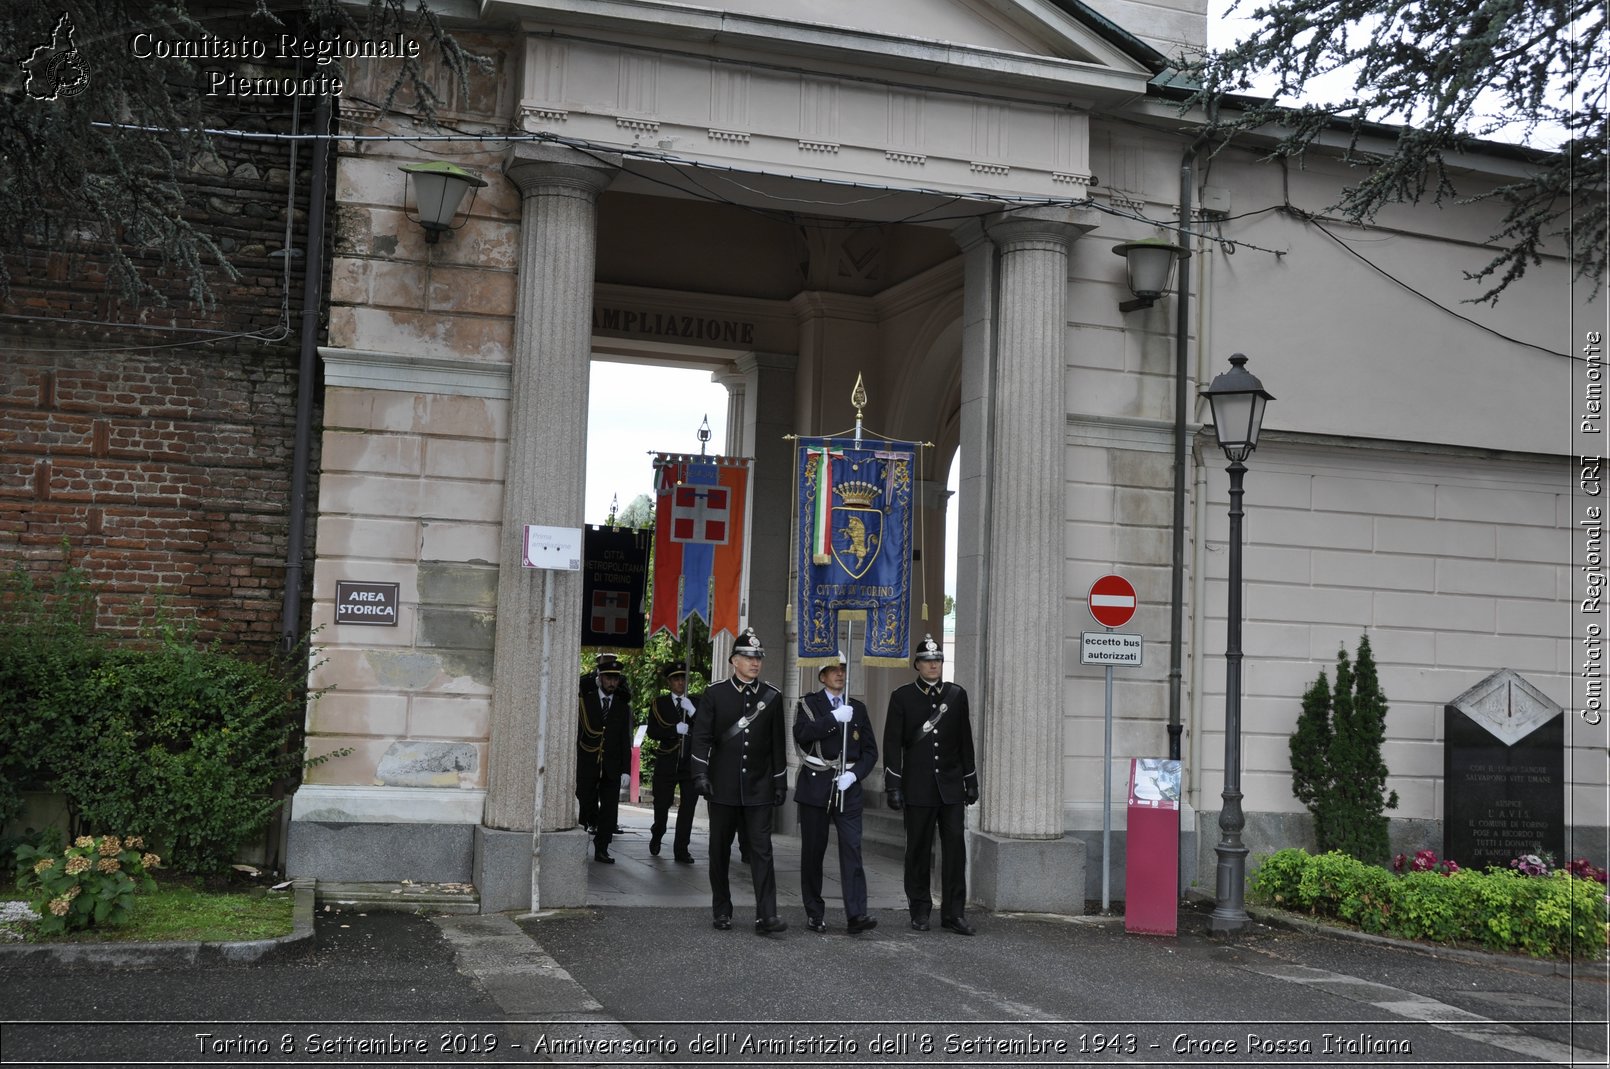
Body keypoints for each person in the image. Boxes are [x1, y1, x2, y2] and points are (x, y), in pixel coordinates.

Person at [690, 627, 788, 934]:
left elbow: (777, 743)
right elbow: (702, 736)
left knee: (762, 851)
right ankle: (722, 909)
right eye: (747, 657)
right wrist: (700, 774)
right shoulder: (715, 693)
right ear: (734, 660)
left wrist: (780, 781)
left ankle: (767, 914)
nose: (754, 662)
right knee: (719, 850)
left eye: (757, 657)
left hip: (758, 787)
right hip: (723, 786)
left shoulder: (771, 696)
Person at [883, 634, 979, 935]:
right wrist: (894, 785)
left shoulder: (956, 694)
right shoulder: (902, 697)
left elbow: (965, 740)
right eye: (927, 661)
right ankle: (920, 910)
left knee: (955, 852)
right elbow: (892, 744)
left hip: (950, 787)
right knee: (918, 851)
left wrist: (970, 780)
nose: (933, 665)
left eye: (937, 660)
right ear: (918, 665)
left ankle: (954, 913)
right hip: (918, 787)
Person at [793, 652, 879, 935]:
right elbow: (802, 734)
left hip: (848, 786)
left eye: (843, 668)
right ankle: (815, 913)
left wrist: (855, 775)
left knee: (852, 849)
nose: (840, 673)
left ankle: (857, 914)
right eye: (833, 669)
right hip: (816, 784)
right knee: (813, 852)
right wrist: (832, 718)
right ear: (822, 676)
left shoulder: (858, 708)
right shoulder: (808, 704)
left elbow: (870, 751)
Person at [576, 653, 633, 864]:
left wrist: (626, 769)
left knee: (610, 809)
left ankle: (602, 847)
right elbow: (579, 732)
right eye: (608, 678)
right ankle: (579, 844)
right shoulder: (586, 701)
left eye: (615, 678)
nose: (612, 682)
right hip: (588, 762)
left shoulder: (621, 705)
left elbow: (624, 740)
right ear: (599, 677)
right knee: (584, 803)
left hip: (612, 765)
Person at [645, 665, 700, 863]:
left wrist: (692, 712)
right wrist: (674, 729)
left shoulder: (695, 703)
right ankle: (657, 833)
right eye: (676, 679)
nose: (680, 683)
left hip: (688, 763)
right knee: (661, 805)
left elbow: (706, 727)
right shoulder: (659, 704)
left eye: (683, 679)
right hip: (667, 761)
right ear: (669, 682)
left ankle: (681, 849)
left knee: (688, 809)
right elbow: (652, 731)